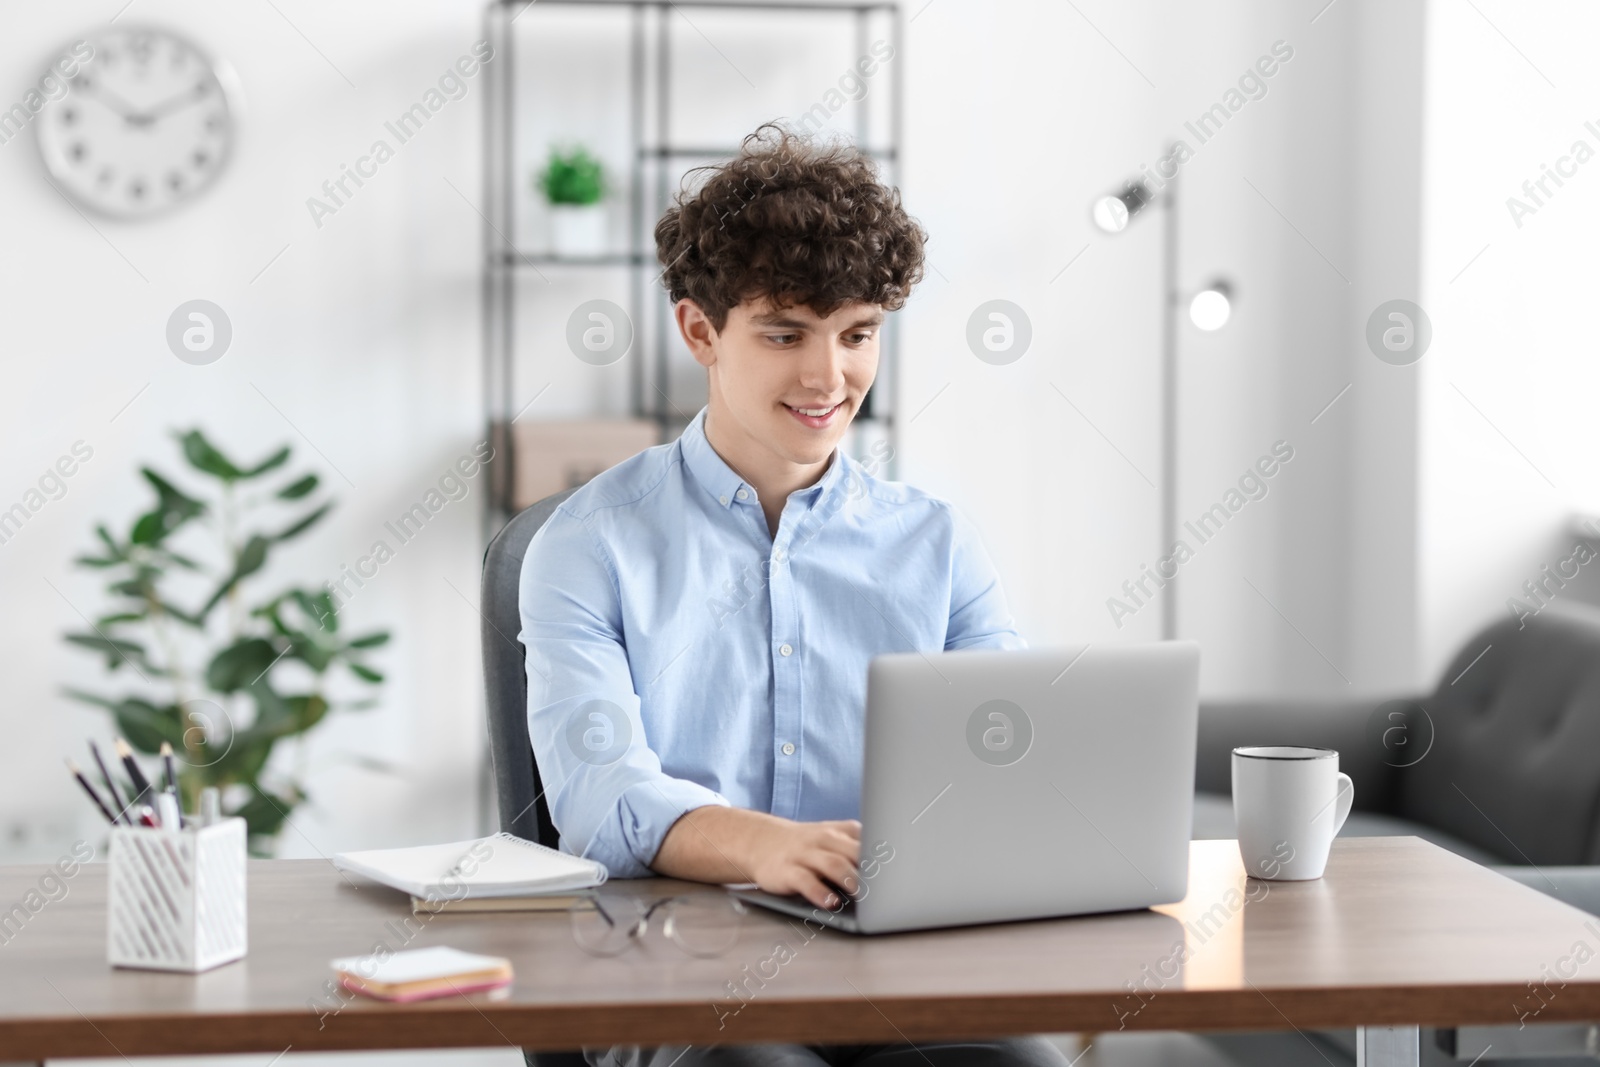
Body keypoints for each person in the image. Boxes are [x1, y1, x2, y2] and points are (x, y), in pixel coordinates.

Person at [519, 123, 1066, 1067]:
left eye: (858, 335)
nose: (829, 377)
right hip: (681, 968)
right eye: (785, 335)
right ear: (701, 330)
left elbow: (1001, 765)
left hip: (894, 966)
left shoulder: (937, 544)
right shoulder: (588, 542)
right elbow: (599, 797)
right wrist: (765, 845)